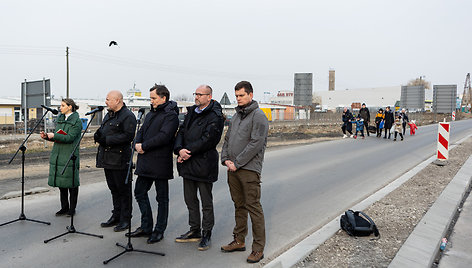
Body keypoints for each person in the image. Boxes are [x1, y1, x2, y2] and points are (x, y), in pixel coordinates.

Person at [220, 81, 269, 264]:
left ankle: (258, 249)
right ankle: (239, 240)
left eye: (241, 95)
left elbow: (255, 144)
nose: (238, 99)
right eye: (237, 96)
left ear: (250, 94)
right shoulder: (236, 117)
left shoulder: (258, 116)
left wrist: (237, 163)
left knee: (253, 207)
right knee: (239, 205)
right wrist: (225, 158)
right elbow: (227, 140)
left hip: (248, 169)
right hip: (232, 168)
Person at [173, 85, 224, 251]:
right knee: (190, 200)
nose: (196, 97)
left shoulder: (215, 115)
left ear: (209, 97)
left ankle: (206, 232)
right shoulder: (192, 112)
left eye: (200, 94)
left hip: (203, 163)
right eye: (195, 94)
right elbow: (180, 132)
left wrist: (188, 151)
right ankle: (194, 230)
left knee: (206, 202)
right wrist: (179, 149)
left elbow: (209, 139)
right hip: (187, 162)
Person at [127, 84, 179, 244]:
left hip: (160, 162)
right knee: (139, 192)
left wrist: (144, 146)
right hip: (145, 161)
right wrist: (136, 143)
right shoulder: (150, 114)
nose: (151, 101)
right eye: (151, 98)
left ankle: (159, 230)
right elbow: (141, 131)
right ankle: (146, 226)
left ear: (163, 98)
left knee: (161, 198)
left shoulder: (171, 115)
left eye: (154, 98)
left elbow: (164, 136)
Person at [94, 90, 137, 232]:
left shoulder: (128, 116)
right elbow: (104, 130)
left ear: (117, 100)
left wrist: (107, 140)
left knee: (123, 190)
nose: (106, 102)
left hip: (120, 159)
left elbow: (128, 136)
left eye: (108, 99)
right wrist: (98, 135)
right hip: (107, 158)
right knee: (113, 189)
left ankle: (125, 219)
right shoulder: (109, 114)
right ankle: (116, 216)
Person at [41, 98, 82, 217]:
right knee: (61, 183)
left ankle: (72, 209)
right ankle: (64, 207)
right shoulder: (60, 120)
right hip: (58, 153)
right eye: (60, 105)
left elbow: (69, 138)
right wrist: (48, 137)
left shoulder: (77, 122)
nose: (60, 108)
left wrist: (55, 135)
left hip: (69, 154)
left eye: (63, 105)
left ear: (70, 107)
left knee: (71, 183)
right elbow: (58, 136)